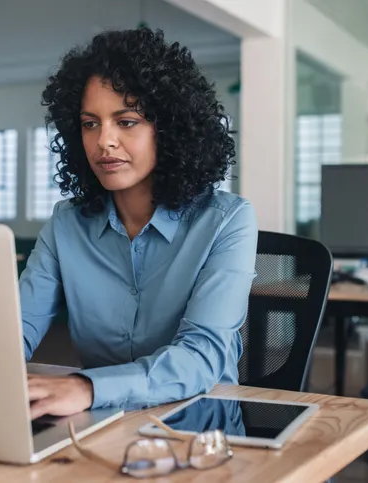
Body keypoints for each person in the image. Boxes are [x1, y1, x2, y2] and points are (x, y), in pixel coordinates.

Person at [22, 28, 258, 419]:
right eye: (89, 123)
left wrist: (87, 386)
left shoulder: (227, 220)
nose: (104, 141)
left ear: (168, 129)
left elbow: (201, 358)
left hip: (201, 428)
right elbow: (17, 327)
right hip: (98, 422)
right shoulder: (66, 224)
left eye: (126, 122)